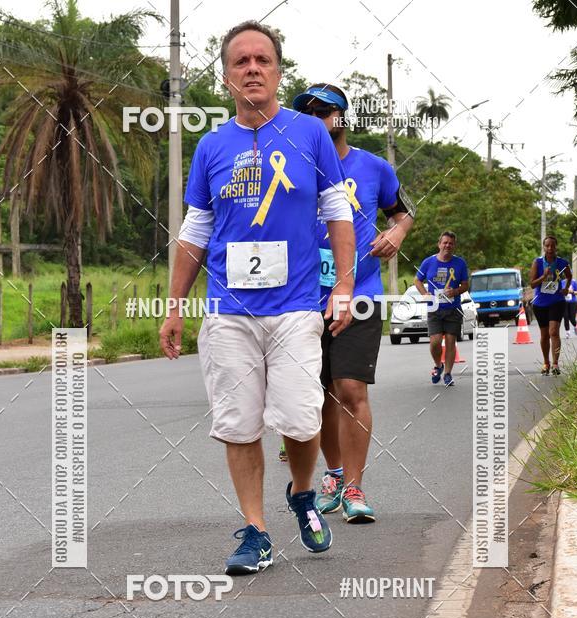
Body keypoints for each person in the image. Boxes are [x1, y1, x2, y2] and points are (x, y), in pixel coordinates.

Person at [159, 21, 355, 574]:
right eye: (240, 61)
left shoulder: (309, 134)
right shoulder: (211, 146)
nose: (251, 69)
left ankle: (302, 492)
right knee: (239, 424)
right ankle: (256, 530)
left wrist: (343, 285)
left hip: (295, 308)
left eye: (262, 60)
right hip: (229, 312)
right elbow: (196, 229)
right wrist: (174, 306)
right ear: (226, 76)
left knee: (302, 419)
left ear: (277, 72)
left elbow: (337, 211)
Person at [292, 83, 415, 523]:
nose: (318, 118)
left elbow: (403, 212)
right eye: (308, 112)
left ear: (343, 116)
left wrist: (396, 233)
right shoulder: (292, 165)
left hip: (360, 293)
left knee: (351, 389)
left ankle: (355, 487)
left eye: (326, 110)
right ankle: (335, 473)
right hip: (303, 298)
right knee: (319, 394)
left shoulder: (373, 167)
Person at [414, 232, 469, 387]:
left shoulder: (460, 263)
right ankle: (438, 365)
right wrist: (425, 294)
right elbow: (417, 280)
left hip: (453, 309)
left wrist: (455, 291)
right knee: (435, 342)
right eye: (445, 242)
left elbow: (465, 285)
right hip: (434, 308)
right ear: (439, 244)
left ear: (454, 246)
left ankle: (448, 374)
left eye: (451, 243)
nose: (447, 245)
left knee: (451, 341)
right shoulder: (428, 262)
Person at [529, 236, 572, 375]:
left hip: (557, 301)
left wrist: (566, 288)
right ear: (543, 247)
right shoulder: (537, 262)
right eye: (547, 245)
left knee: (553, 332)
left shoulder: (562, 262)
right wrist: (543, 276)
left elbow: (569, 276)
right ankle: (546, 362)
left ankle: (555, 364)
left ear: (556, 247)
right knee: (544, 335)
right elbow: (532, 284)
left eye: (552, 245)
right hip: (540, 303)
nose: (550, 248)